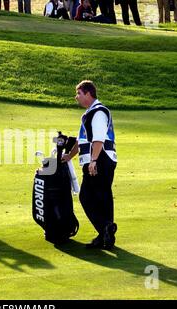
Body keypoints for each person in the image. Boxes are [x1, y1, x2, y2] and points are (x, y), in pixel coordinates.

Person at [62, 80, 118, 250]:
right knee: (102, 198)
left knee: (86, 196)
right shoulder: (90, 113)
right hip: (100, 159)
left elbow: (99, 139)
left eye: (78, 93)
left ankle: (105, 229)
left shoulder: (98, 112)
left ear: (88, 93)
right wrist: (69, 156)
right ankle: (106, 236)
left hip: (99, 159)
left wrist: (93, 161)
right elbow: (82, 140)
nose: (76, 97)